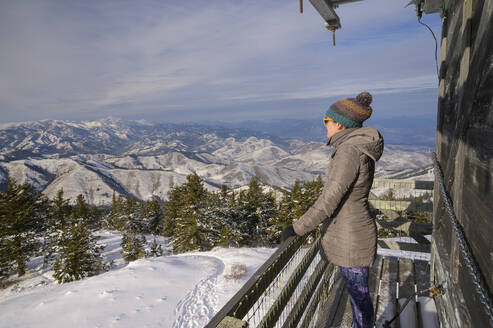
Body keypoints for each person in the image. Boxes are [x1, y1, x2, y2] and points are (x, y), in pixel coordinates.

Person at [282, 91, 384, 328]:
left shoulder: (348, 152)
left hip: (351, 237)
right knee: (360, 301)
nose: (325, 126)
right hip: (354, 231)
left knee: (360, 302)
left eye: (326, 121)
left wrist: (296, 229)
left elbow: (330, 199)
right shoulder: (357, 147)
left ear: (339, 124)